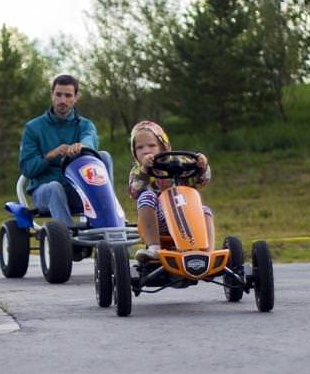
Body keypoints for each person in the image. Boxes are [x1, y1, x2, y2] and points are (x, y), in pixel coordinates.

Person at [18, 73, 114, 224]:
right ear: (52, 95)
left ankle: (109, 220)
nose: (62, 100)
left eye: (68, 95)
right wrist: (50, 156)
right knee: (55, 187)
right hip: (45, 192)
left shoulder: (85, 125)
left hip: (78, 190)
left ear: (76, 97)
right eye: (59, 95)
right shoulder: (33, 128)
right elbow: (27, 169)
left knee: (103, 156)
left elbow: (89, 139)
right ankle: (67, 235)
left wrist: (82, 146)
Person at [126, 120, 213, 262]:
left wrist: (202, 166)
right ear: (134, 152)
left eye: (151, 145)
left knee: (205, 210)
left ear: (163, 147)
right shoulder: (138, 170)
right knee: (146, 196)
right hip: (159, 218)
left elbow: (201, 181)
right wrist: (144, 170)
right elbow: (134, 191)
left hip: (185, 212)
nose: (146, 150)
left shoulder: (181, 162)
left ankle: (207, 252)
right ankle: (154, 247)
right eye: (140, 147)